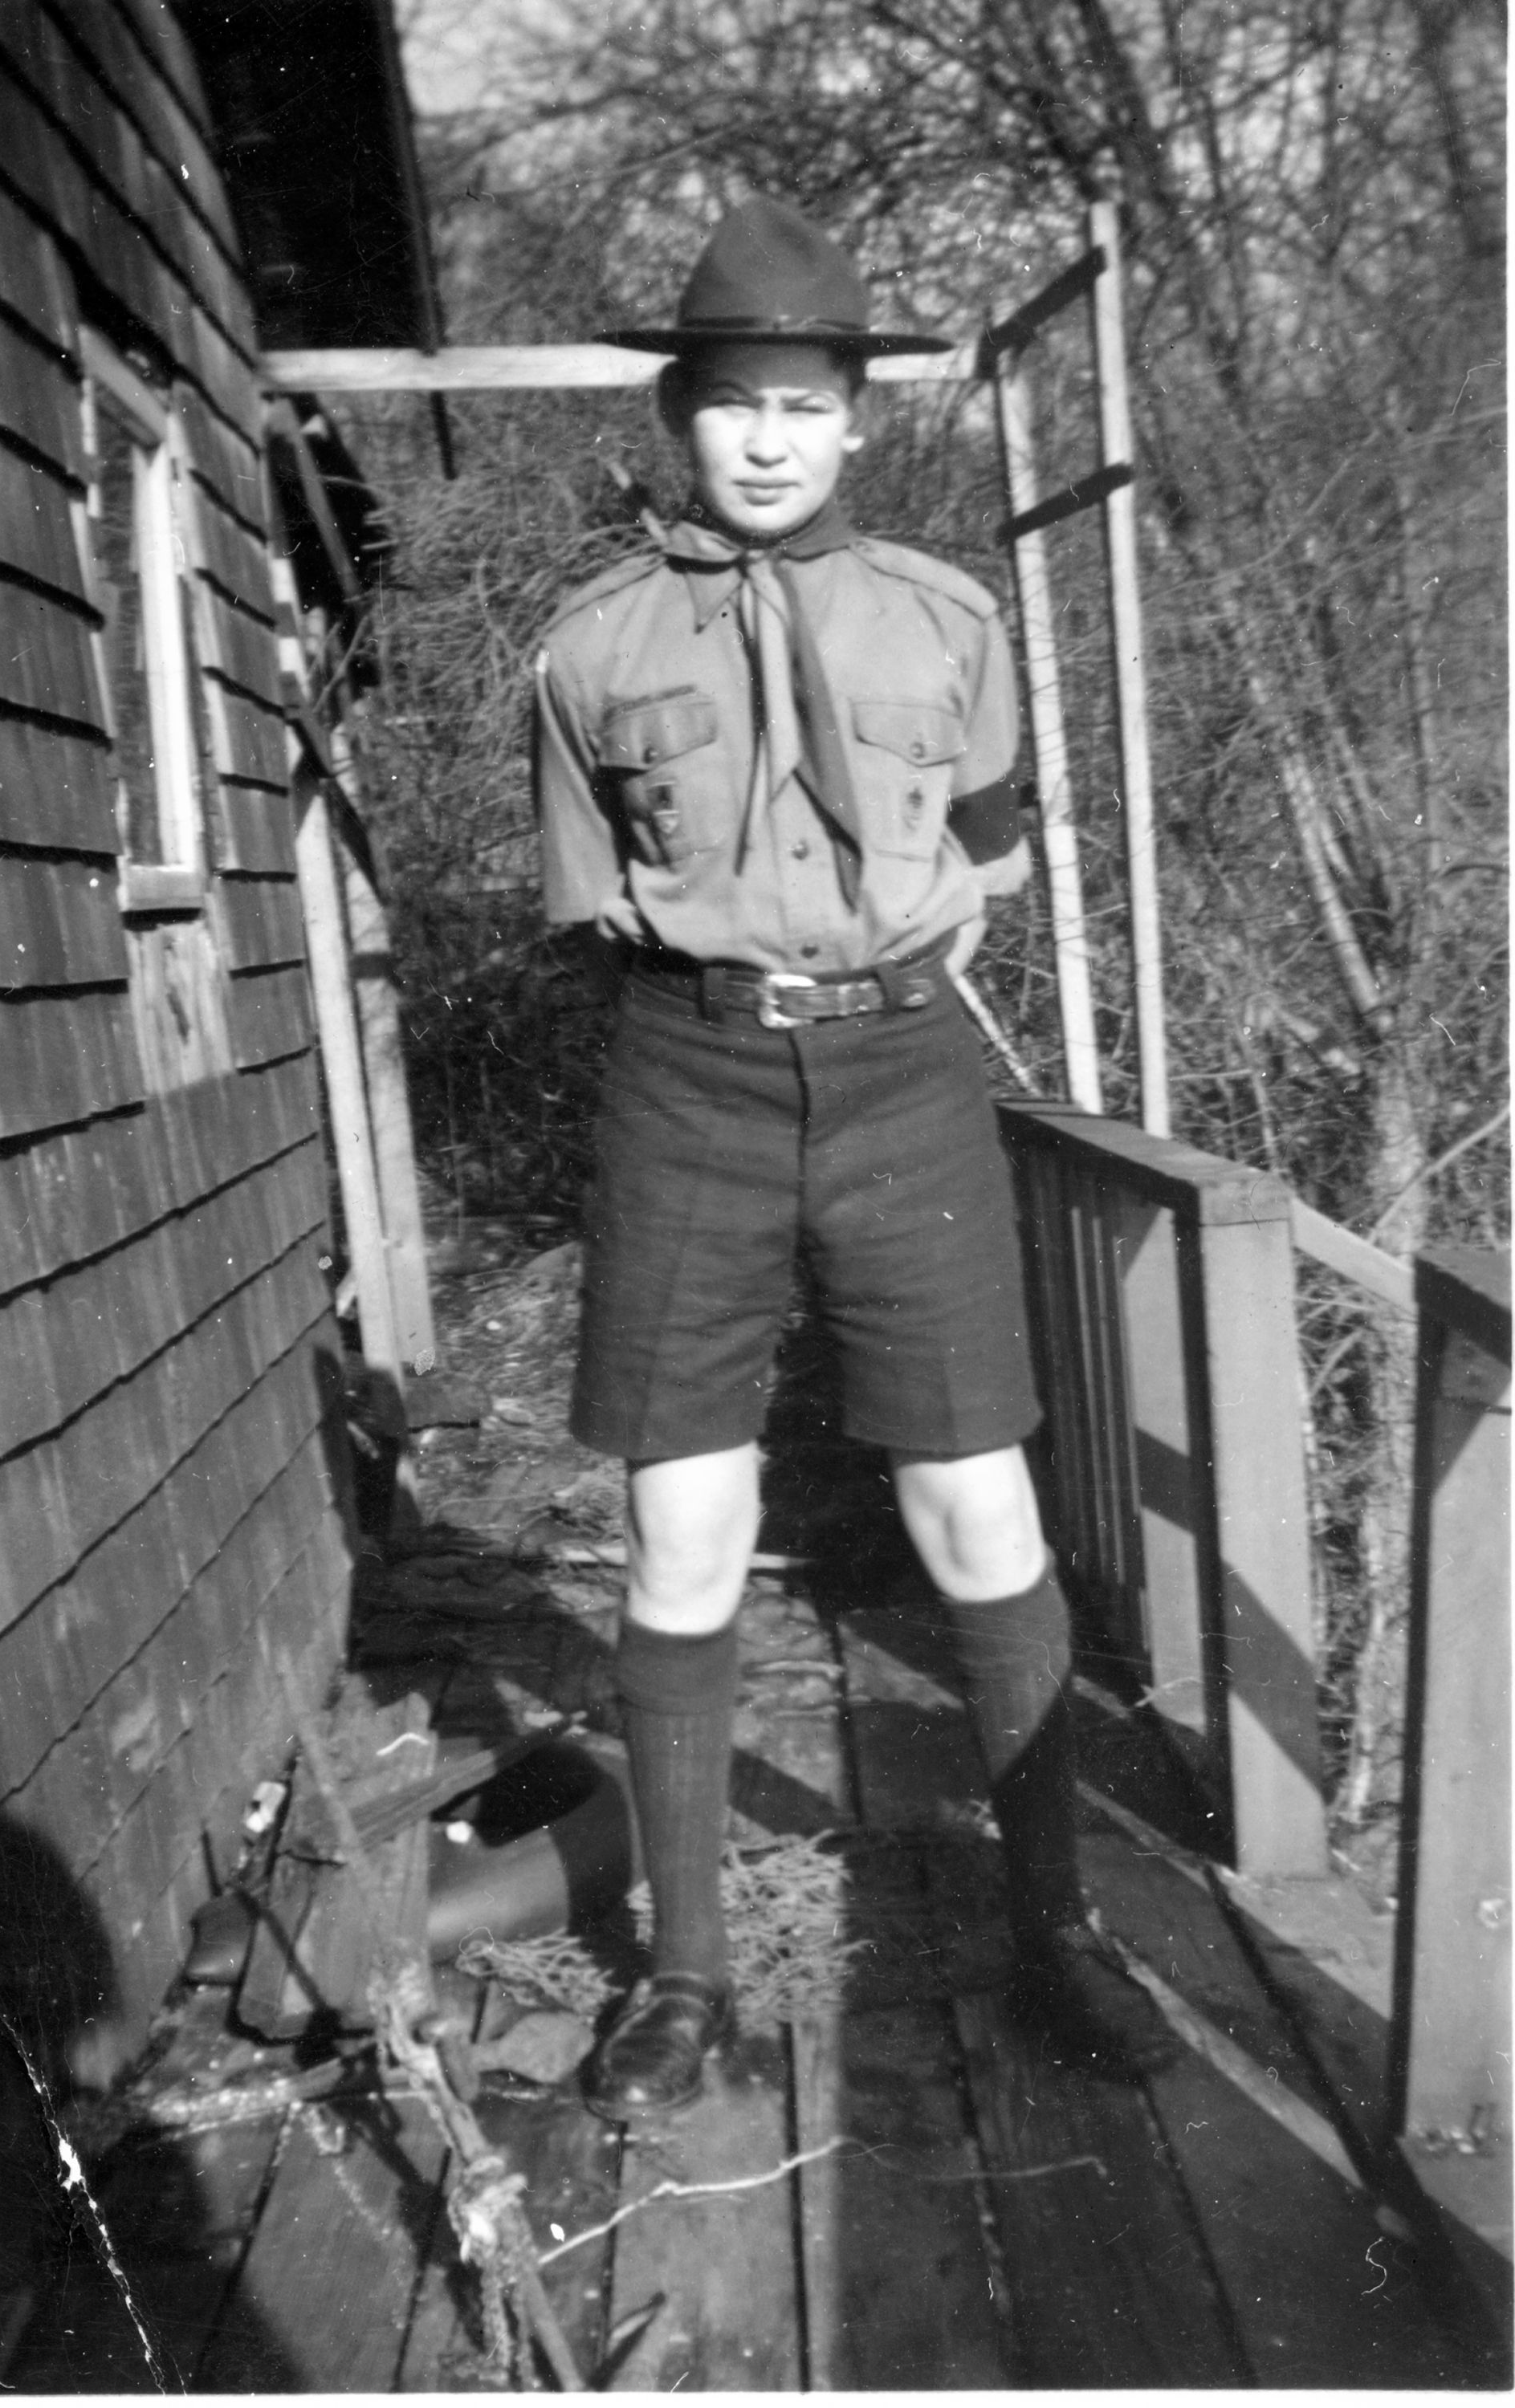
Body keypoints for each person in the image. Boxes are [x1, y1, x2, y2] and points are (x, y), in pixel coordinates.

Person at [532, 195, 1175, 2119]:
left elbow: (988, 859)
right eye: (734, 401)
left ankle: (1056, 1929)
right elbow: (596, 911)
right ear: (680, 415)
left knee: (977, 1507)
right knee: (683, 1524)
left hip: (904, 1085)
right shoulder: (587, 649)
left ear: (856, 419)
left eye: (804, 402)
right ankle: (686, 1978)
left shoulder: (950, 621)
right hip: (688, 1082)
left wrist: (866, 979)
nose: (767, 438)